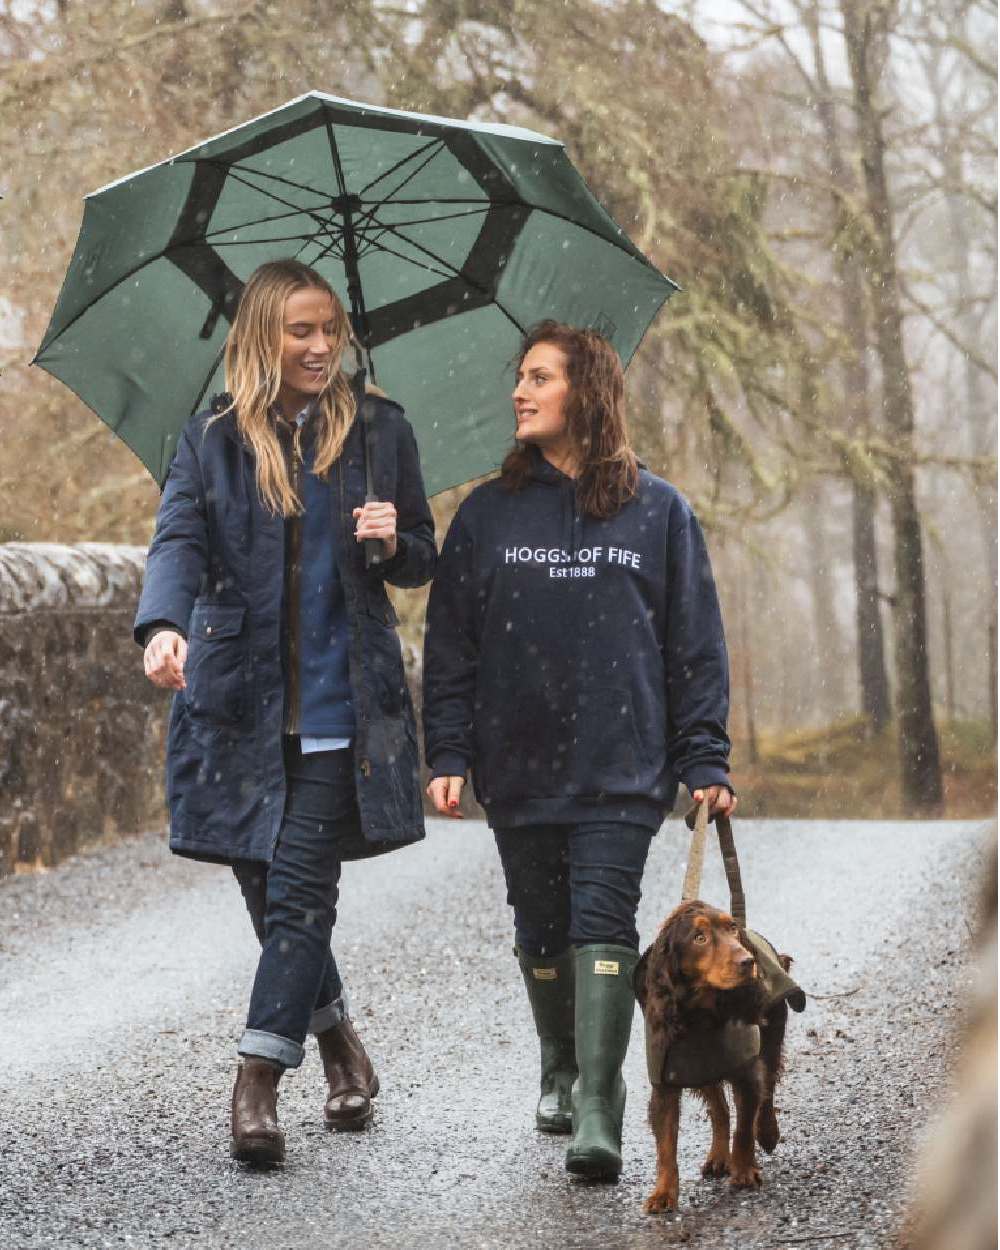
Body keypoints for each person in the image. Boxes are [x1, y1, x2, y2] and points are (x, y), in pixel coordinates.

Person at [135, 259, 435, 1164]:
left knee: (301, 889)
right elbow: (178, 540)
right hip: (237, 706)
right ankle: (341, 1043)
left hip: (344, 707)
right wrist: (163, 626)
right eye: (300, 331)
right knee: (267, 886)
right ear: (262, 337)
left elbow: (424, 554)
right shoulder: (212, 440)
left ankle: (258, 1078)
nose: (319, 346)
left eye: (330, 330)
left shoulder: (380, 430)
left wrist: (393, 540)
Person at [422, 321, 735, 1181]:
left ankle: (600, 1103)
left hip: (622, 764)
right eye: (520, 377)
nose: (519, 392)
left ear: (586, 392)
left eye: (539, 378)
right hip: (517, 763)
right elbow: (451, 647)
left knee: (603, 921)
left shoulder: (659, 511)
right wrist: (447, 750)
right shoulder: (487, 514)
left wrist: (705, 759)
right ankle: (559, 1068)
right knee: (540, 926)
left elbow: (695, 646)